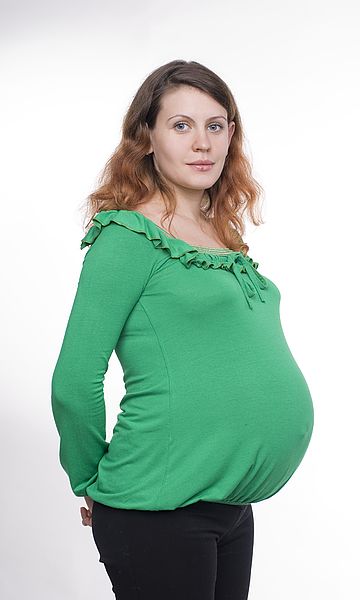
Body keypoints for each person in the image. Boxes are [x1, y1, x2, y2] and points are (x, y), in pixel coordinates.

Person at [51, 59, 315, 600]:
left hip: (229, 507)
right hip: (157, 509)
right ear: (146, 137)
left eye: (215, 126)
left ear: (231, 136)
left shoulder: (222, 238)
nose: (202, 143)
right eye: (181, 125)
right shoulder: (127, 238)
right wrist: (91, 484)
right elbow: (74, 380)